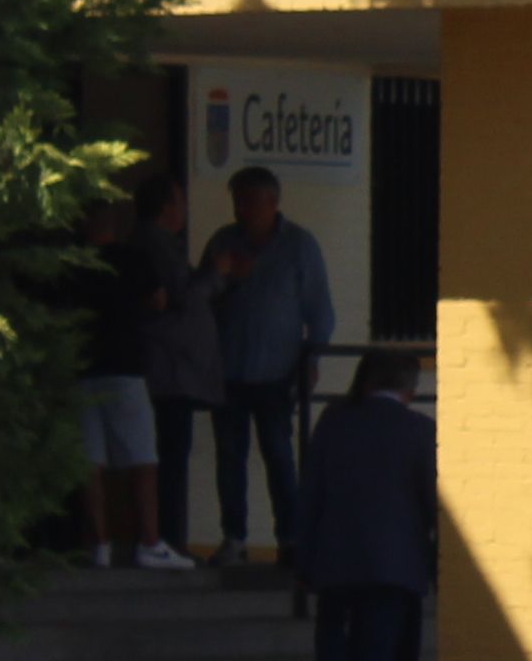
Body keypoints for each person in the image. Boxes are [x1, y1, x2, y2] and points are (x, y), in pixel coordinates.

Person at [199, 164, 338, 566]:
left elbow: (320, 311)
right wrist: (224, 277)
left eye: (248, 202)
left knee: (278, 454)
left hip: (277, 372)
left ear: (272, 203)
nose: (241, 210)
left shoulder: (299, 245)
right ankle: (234, 539)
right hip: (227, 371)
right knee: (230, 457)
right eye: (237, 202)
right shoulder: (223, 242)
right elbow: (200, 301)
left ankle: (290, 540)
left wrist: (312, 359)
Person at [293, 347, 435, 661]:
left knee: (333, 642)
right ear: (411, 387)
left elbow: (310, 493)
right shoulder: (420, 430)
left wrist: (302, 556)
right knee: (379, 656)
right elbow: (432, 501)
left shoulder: (334, 422)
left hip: (335, 557)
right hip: (396, 564)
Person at [64, 195, 178, 569]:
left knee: (89, 461)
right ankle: (148, 540)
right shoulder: (132, 259)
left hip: (81, 367)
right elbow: (159, 300)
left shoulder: (71, 264)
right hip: (124, 368)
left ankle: (99, 544)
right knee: (143, 459)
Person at [135, 178, 219, 565]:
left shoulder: (162, 246)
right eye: (180, 202)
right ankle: (168, 536)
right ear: (165, 207)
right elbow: (181, 297)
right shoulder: (156, 245)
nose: (184, 210)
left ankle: (171, 535)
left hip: (176, 369)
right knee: (170, 455)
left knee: (172, 454)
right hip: (170, 370)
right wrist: (215, 274)